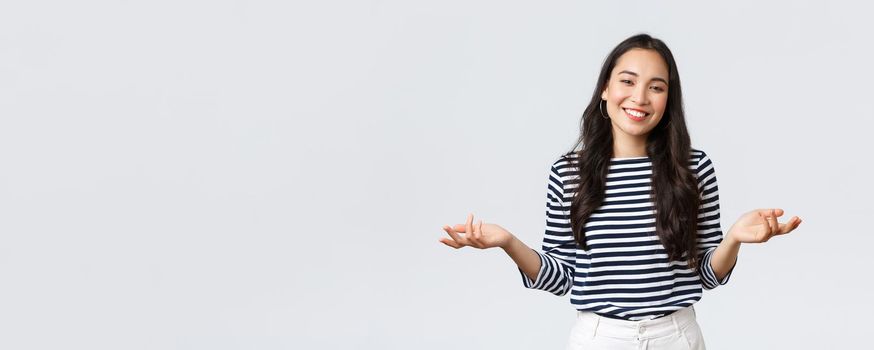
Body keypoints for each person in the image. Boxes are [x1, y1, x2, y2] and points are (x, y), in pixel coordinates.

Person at [438, 33, 802, 350]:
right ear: (606, 89)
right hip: (599, 339)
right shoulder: (569, 173)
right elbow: (563, 277)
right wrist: (507, 242)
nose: (640, 97)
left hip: (676, 336)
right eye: (627, 81)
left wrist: (734, 238)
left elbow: (706, 274)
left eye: (656, 87)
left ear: (668, 99)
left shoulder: (693, 168)